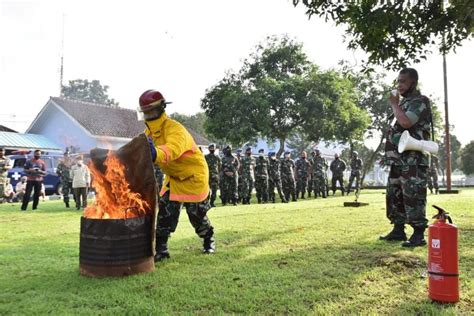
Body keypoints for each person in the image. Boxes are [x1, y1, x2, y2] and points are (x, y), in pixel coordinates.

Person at [139, 89, 215, 261]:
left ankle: (208, 240)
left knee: (197, 215)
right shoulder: (148, 134)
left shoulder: (175, 128)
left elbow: (173, 149)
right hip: (173, 178)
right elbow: (142, 154)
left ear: (162, 108)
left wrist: (155, 154)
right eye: (145, 111)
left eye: (151, 110)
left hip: (193, 176)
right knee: (165, 212)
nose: (148, 114)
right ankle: (161, 251)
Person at [380, 68, 431, 247]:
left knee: (413, 195)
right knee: (394, 194)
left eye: (403, 81)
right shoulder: (404, 104)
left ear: (413, 83)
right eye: (398, 81)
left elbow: (406, 123)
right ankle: (398, 229)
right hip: (398, 159)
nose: (399, 85)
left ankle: (418, 234)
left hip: (414, 160)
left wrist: (394, 104)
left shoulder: (420, 102)